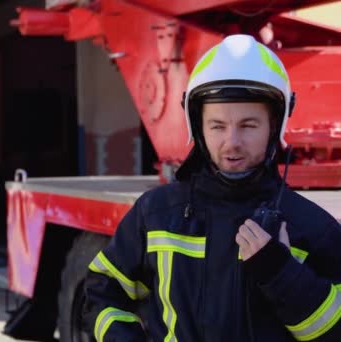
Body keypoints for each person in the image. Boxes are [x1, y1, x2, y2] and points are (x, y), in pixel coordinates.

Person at [82, 34, 341, 342]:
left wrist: (281, 274)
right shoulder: (155, 214)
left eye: (248, 125)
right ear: (198, 128)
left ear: (275, 126)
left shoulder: (312, 228)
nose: (231, 142)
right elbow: (101, 294)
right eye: (217, 126)